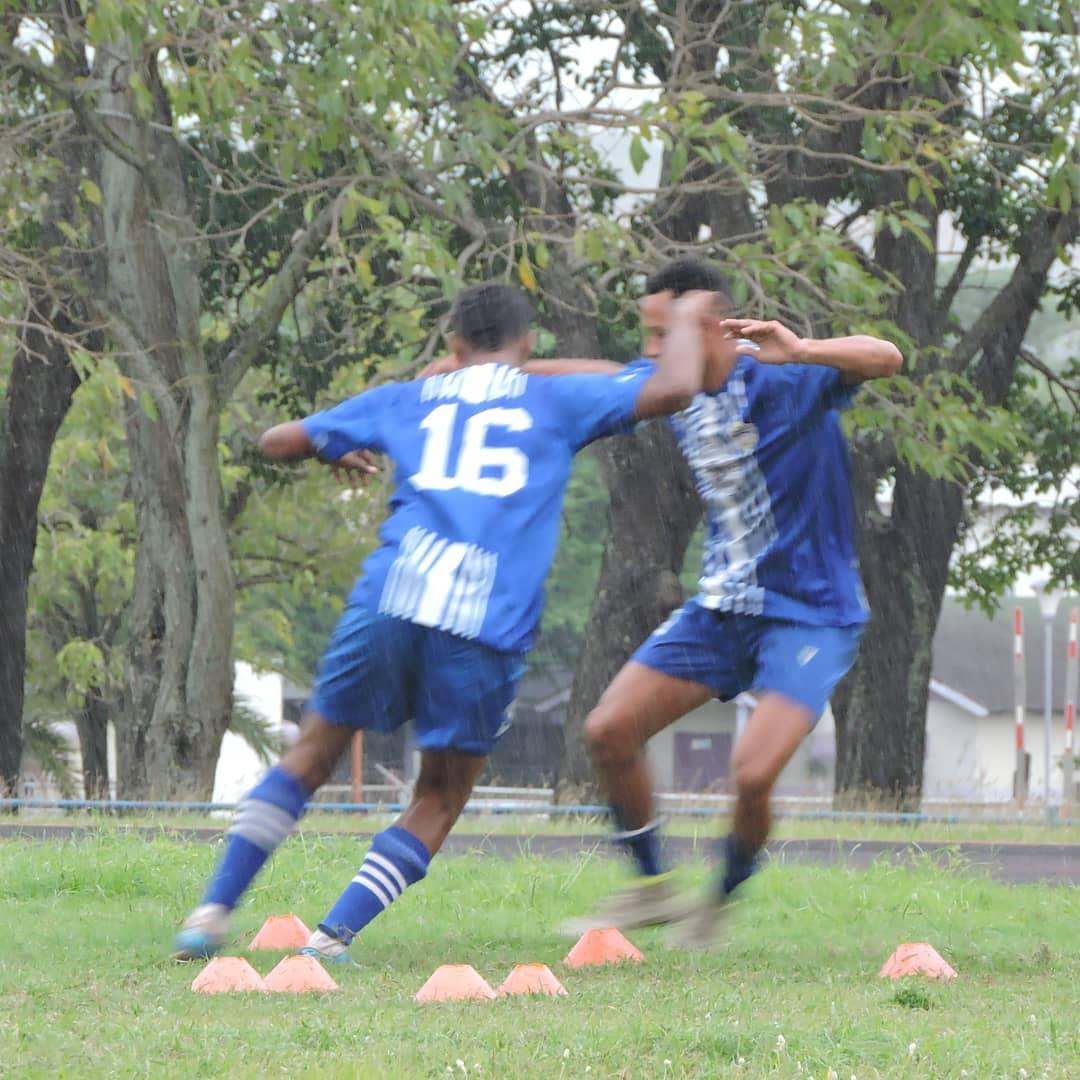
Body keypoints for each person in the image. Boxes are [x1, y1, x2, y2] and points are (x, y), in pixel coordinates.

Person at [173, 281, 719, 963]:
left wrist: (333, 445)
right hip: (482, 623)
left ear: (452, 346)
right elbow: (670, 387)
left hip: (389, 600)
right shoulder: (553, 397)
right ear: (526, 343)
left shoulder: (407, 398)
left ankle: (211, 911)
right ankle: (328, 938)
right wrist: (692, 316)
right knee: (440, 792)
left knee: (310, 756)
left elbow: (278, 439)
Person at [537, 256, 902, 947]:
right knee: (607, 730)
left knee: (753, 771)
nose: (650, 353)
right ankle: (653, 888)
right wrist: (497, 374)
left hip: (811, 612)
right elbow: (597, 377)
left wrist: (801, 347)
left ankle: (722, 895)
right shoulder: (671, 387)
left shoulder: (783, 378)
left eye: (660, 336)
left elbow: (885, 356)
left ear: (708, 329)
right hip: (722, 610)